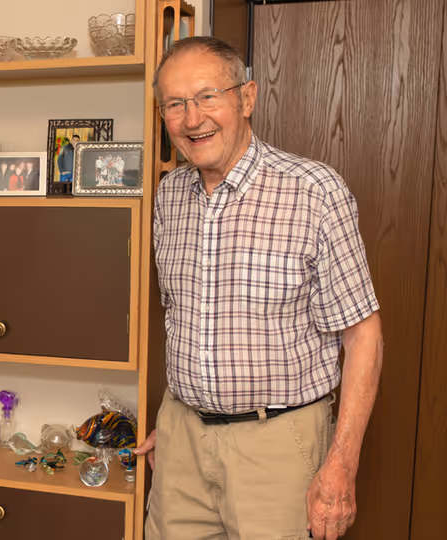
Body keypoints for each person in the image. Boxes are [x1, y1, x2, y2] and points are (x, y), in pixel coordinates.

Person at [136, 36, 383, 540]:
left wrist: (342, 464)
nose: (192, 118)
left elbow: (364, 338)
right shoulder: (169, 196)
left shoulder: (315, 193)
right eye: (175, 105)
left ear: (246, 98)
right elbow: (185, 318)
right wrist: (185, 416)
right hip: (182, 442)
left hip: (277, 445)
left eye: (208, 96)